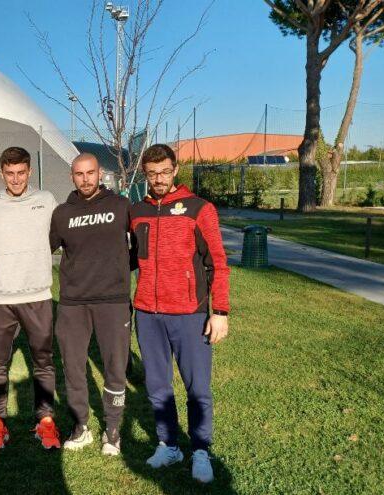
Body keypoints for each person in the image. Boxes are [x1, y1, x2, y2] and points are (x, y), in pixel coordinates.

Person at [130, 143, 230, 483]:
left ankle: (200, 451)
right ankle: (169, 444)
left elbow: (217, 262)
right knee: (158, 385)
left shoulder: (199, 208)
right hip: (147, 312)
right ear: (145, 174)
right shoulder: (137, 211)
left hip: (189, 313)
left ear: (176, 170)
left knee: (197, 387)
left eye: (164, 172)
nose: (159, 179)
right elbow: (129, 257)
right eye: (152, 174)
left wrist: (220, 311)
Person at [0, 147, 61, 450]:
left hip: (38, 295)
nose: (16, 179)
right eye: (10, 173)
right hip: (0, 299)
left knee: (43, 362)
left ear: (30, 172)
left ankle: (45, 422)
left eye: (21, 173)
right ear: (1, 173)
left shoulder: (46, 201)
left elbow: (64, 236)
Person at [49, 153, 133, 456]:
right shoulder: (61, 213)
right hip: (73, 303)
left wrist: (120, 271)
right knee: (72, 366)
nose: (85, 179)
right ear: (72, 176)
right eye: (79, 173)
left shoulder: (121, 206)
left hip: (113, 301)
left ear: (100, 174)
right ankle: (81, 425)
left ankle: (112, 430)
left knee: (114, 367)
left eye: (90, 173)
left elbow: (140, 245)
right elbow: (43, 248)